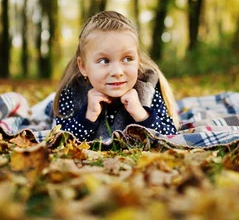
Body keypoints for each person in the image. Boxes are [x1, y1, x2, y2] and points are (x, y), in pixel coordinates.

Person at [53, 10, 179, 142]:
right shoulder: (72, 92)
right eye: (104, 61)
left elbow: (170, 135)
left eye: (127, 59)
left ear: (137, 60)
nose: (117, 72)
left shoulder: (147, 89)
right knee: (49, 106)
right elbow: (59, 140)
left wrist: (141, 114)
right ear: (83, 67)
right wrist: (88, 116)